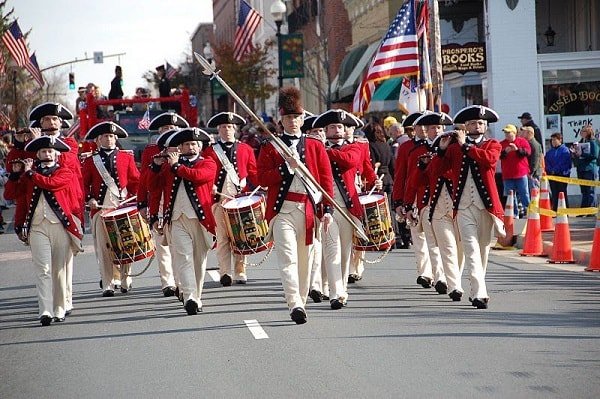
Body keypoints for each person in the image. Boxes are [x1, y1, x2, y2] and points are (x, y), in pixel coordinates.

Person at [257, 87, 334, 324]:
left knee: (307, 260)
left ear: (303, 118)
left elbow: (325, 180)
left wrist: (328, 210)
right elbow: (261, 179)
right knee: (288, 258)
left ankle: (301, 300)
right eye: (289, 117)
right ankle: (294, 303)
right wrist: (285, 168)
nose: (293, 122)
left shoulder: (314, 145)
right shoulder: (271, 146)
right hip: (283, 211)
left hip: (308, 209)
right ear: (281, 120)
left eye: (297, 117)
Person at [436, 105, 505, 309]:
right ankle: (481, 293)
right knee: (471, 249)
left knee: (483, 249)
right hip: (463, 207)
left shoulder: (492, 144)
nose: (477, 126)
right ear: (465, 126)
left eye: (481, 123)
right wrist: (441, 150)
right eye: (473, 123)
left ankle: (477, 289)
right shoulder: (455, 148)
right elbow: (439, 171)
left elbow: (489, 160)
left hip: (486, 207)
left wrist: (466, 146)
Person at [12, 136, 83, 326]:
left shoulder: (65, 172)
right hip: (37, 226)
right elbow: (14, 196)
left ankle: (59, 308)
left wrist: (29, 174)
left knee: (59, 269)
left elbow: (51, 184)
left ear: (56, 154)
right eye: (43, 151)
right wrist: (15, 174)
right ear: (38, 154)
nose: (47, 154)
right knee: (43, 268)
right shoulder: (29, 174)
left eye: (50, 151)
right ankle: (45, 309)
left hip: (60, 225)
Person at [148, 128, 217, 315]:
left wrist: (176, 166)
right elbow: (152, 187)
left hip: (201, 220)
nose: (190, 147)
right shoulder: (168, 166)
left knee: (198, 262)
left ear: (200, 147)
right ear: (180, 147)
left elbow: (198, 177)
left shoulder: (208, 163)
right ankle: (190, 298)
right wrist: (155, 165)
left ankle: (197, 295)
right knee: (183, 258)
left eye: (194, 144)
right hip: (176, 219)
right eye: (186, 144)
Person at [313, 109, 365, 308]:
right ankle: (335, 293)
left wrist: (324, 151)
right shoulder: (316, 150)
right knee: (331, 250)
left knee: (345, 253)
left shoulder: (354, 148)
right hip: (327, 208)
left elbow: (348, 161)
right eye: (332, 127)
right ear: (325, 130)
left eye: (340, 127)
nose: (337, 130)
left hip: (348, 208)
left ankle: (341, 289)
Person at [82, 122, 140, 297]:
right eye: (105, 136)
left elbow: (135, 181)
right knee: (104, 247)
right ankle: (107, 283)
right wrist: (89, 199)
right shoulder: (91, 160)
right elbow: (83, 185)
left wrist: (135, 198)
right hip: (100, 210)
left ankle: (125, 279)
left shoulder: (126, 157)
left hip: (122, 207)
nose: (109, 139)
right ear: (98, 140)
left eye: (112, 136)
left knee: (126, 244)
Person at [203, 111, 258, 286]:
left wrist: (261, 186)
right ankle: (225, 272)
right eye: (223, 127)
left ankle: (240, 270)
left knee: (240, 236)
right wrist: (209, 185)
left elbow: (254, 172)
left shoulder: (245, 149)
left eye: (229, 127)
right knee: (222, 237)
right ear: (218, 130)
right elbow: (207, 172)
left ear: (235, 129)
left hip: (239, 199)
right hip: (219, 200)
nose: (227, 130)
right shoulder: (211, 151)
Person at [138, 112, 189, 297]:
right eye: (165, 129)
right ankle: (168, 282)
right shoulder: (151, 151)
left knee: (179, 246)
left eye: (172, 129)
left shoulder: (185, 148)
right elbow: (144, 179)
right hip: (157, 201)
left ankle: (182, 282)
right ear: (159, 132)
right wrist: (142, 204)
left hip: (179, 202)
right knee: (161, 243)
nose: (169, 132)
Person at [403, 112, 448, 295]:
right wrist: (404, 203)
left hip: (449, 203)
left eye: (438, 127)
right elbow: (406, 178)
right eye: (429, 128)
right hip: (424, 201)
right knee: (427, 240)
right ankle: (432, 274)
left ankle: (447, 275)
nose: (432, 130)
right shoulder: (413, 150)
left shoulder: (453, 148)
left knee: (447, 243)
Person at [393, 112, 435, 288]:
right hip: (414, 196)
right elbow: (400, 175)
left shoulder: (439, 146)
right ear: (414, 129)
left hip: (435, 196)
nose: (424, 129)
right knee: (418, 236)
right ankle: (425, 272)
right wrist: (399, 201)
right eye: (420, 126)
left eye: (428, 126)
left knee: (436, 238)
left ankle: (440, 274)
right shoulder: (406, 147)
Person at [499, 124, 531, 218]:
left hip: (521, 173)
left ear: (514, 133)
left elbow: (528, 152)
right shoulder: (502, 144)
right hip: (508, 174)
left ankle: (529, 211)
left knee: (524, 194)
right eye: (506, 133)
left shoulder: (522, 141)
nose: (507, 135)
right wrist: (505, 152)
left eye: (509, 132)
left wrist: (517, 150)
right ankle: (514, 214)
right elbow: (499, 156)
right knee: (510, 196)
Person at [570, 124, 598, 207]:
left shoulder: (592, 142)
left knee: (590, 190)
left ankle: (591, 209)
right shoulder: (581, 141)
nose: (581, 133)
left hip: (589, 168)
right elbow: (579, 155)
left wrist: (582, 154)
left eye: (583, 131)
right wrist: (574, 153)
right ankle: (584, 208)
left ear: (588, 132)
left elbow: (594, 155)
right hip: (581, 168)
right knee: (583, 190)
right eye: (581, 131)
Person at [544, 133, 572, 211]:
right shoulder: (550, 152)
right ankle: (555, 209)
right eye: (552, 140)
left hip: (562, 175)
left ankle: (565, 210)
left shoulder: (565, 150)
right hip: (552, 176)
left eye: (555, 140)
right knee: (554, 192)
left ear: (560, 140)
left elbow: (564, 163)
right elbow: (546, 162)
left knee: (562, 192)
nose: (553, 142)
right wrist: (550, 170)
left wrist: (555, 170)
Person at [519, 126, 543, 190]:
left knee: (534, 193)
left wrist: (531, 172)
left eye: (524, 132)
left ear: (529, 133)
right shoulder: (528, 143)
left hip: (533, 174)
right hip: (531, 173)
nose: (522, 133)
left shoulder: (533, 144)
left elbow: (535, 159)